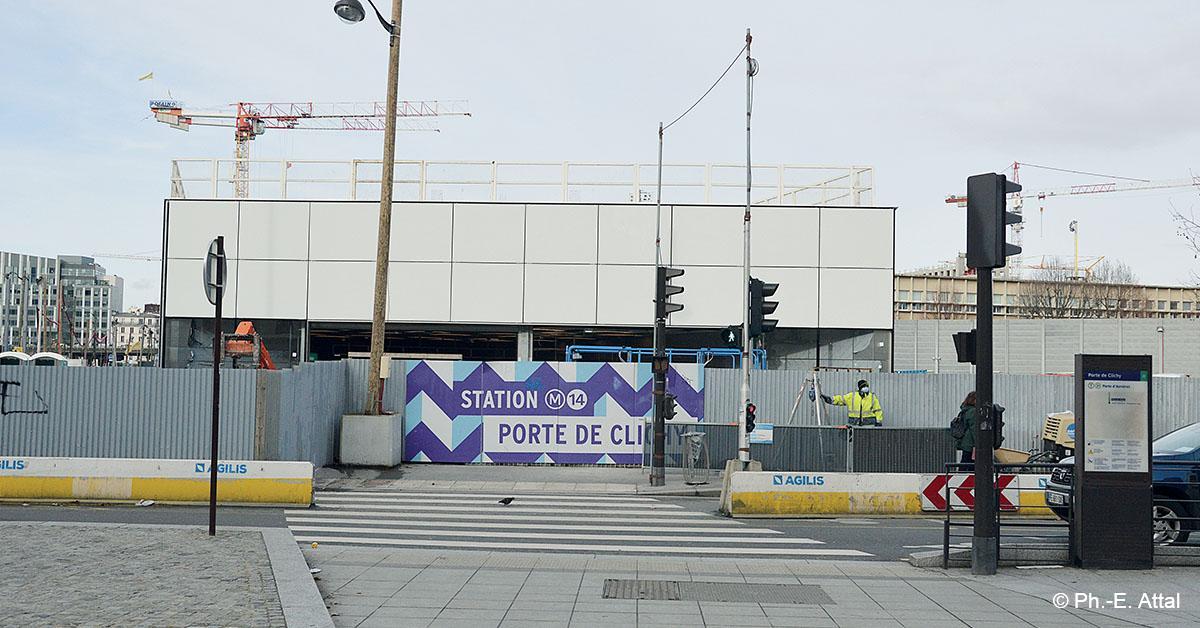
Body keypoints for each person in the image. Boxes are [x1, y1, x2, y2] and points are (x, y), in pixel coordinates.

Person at [954, 391, 978, 469]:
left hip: (965, 441)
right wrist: (978, 443)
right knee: (971, 464)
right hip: (971, 442)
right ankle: (961, 478)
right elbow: (974, 429)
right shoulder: (973, 411)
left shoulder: (965, 409)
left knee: (965, 462)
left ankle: (959, 478)